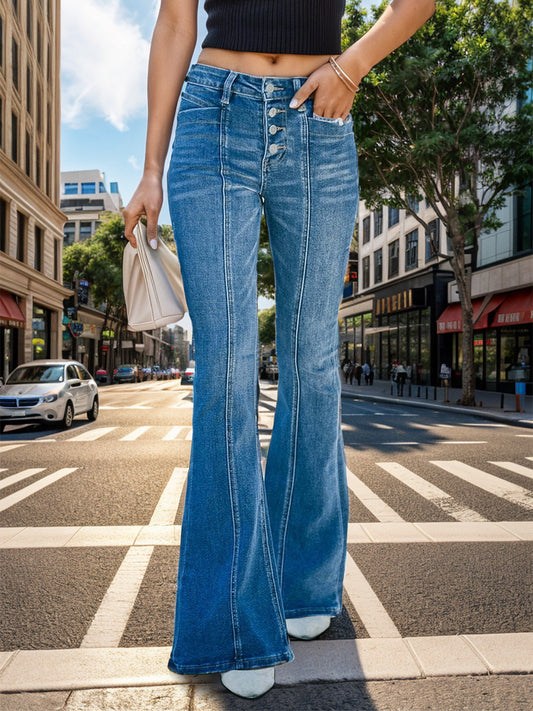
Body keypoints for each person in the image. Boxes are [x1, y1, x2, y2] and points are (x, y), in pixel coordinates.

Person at [123, 0, 435, 699]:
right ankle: (235, 622)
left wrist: (352, 66)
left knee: (311, 367)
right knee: (227, 373)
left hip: (317, 119)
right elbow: (176, 19)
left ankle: (301, 580)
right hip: (211, 118)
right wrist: (150, 166)